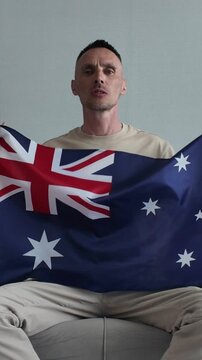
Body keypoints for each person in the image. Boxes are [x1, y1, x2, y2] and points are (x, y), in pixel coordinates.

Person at [0, 39, 202, 360]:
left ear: (122, 86)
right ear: (74, 86)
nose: (100, 77)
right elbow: (29, 217)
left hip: (140, 286)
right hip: (68, 285)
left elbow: (174, 224)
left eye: (109, 71)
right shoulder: (49, 155)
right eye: (89, 70)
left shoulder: (157, 150)